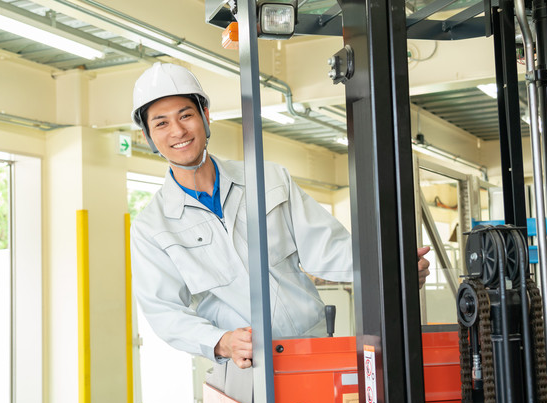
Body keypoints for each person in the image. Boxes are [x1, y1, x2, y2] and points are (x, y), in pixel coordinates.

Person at [130, 62, 430, 372]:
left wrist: (391, 271)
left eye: (185, 115)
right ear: (149, 136)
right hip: (244, 367)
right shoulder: (151, 227)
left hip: (312, 348)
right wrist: (222, 341)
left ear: (205, 116)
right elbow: (163, 310)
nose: (178, 131)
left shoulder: (268, 179)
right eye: (161, 123)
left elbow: (327, 248)